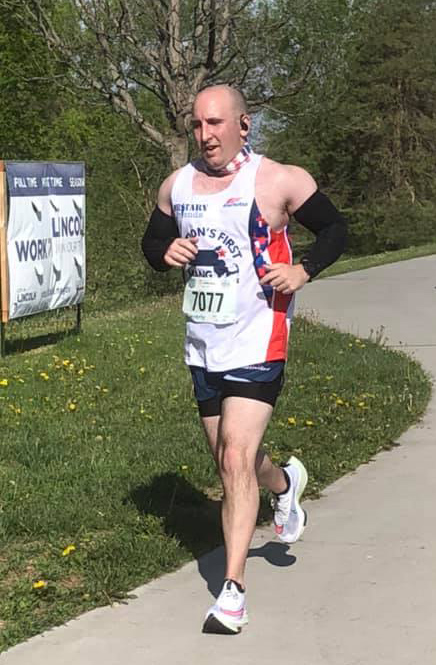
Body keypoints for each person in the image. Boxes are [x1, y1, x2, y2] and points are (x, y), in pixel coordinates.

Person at [141, 84, 346, 634]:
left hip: (260, 339)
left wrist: (303, 271)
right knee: (234, 462)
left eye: (216, 124)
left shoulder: (278, 180)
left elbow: (335, 229)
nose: (206, 135)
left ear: (243, 125)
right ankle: (284, 486)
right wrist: (165, 253)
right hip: (204, 343)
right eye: (198, 125)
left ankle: (232, 593)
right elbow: (152, 244)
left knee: (235, 459)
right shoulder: (177, 186)